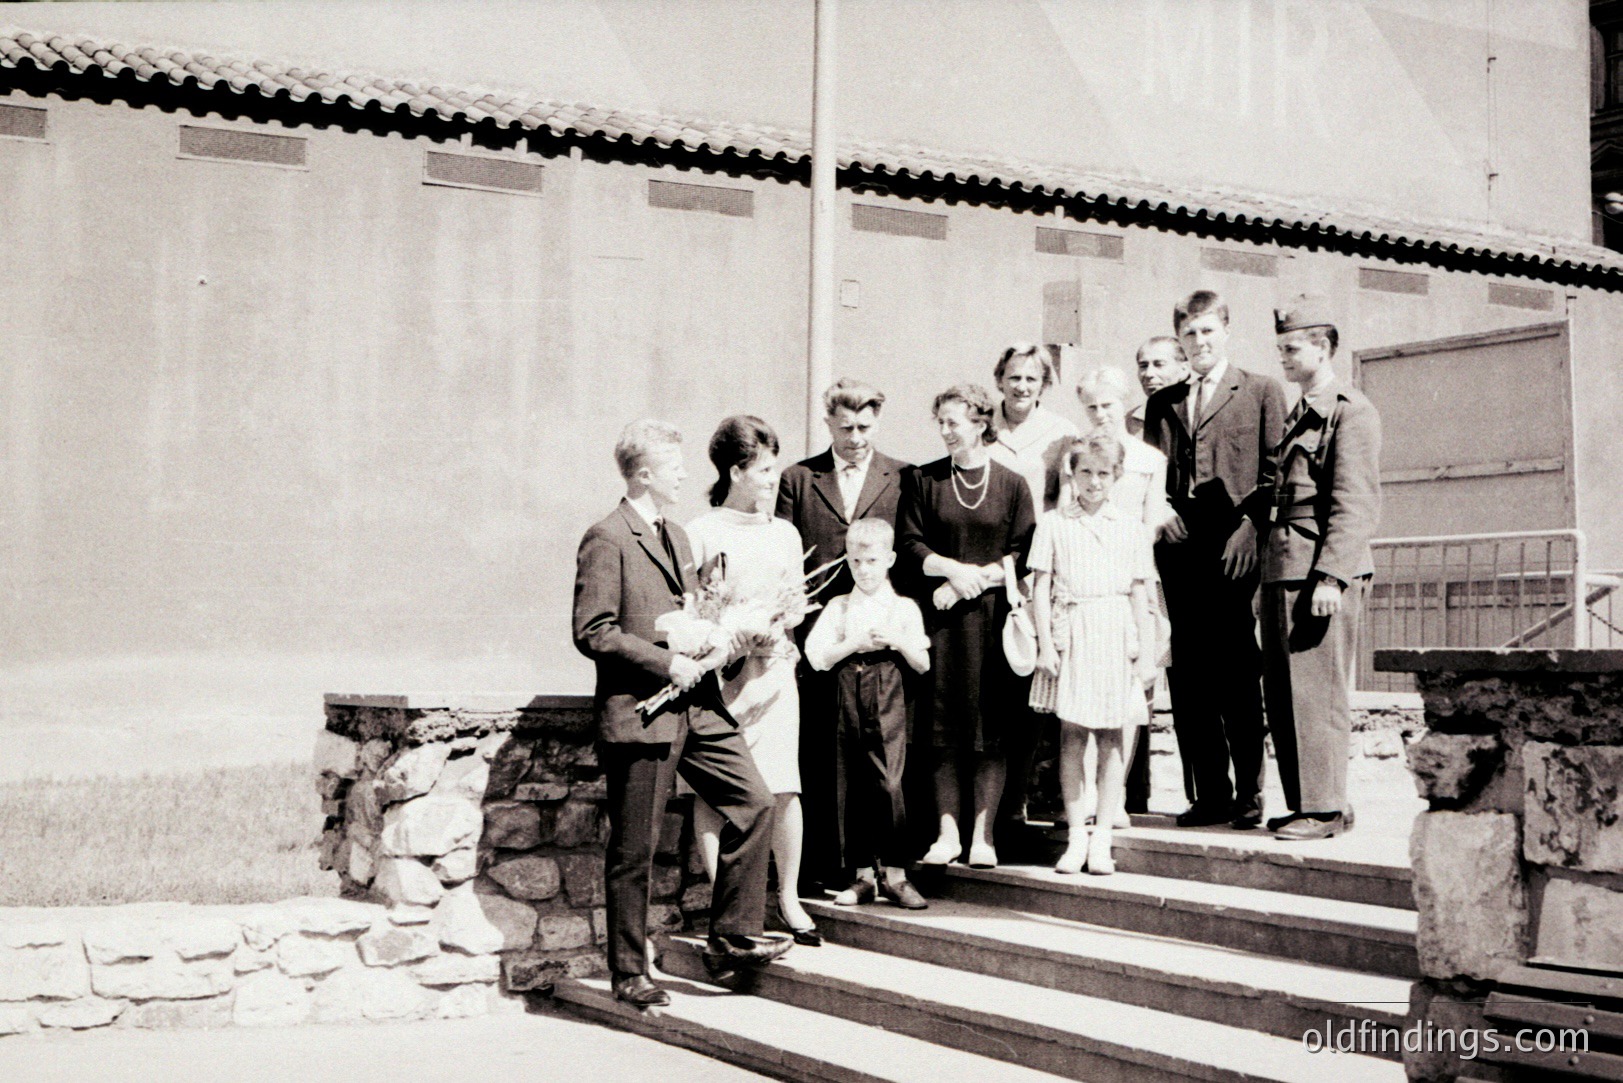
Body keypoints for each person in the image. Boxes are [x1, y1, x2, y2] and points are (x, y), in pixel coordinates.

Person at [572, 419, 785, 1008]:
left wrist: (724, 636)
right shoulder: (606, 536)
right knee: (635, 851)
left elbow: (689, 612)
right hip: (642, 712)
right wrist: (665, 664)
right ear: (644, 475)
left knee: (755, 803)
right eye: (674, 466)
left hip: (700, 706)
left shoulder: (680, 538)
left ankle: (732, 939)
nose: (687, 474)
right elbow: (593, 631)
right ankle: (628, 973)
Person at [1143, 290, 1286, 830]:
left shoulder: (1261, 391)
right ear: (1179, 340)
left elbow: (1276, 471)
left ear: (1224, 330)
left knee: (1237, 672)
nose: (1199, 342)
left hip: (1234, 545)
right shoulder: (1165, 401)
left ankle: (1249, 794)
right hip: (1180, 548)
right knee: (1191, 675)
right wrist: (1158, 510)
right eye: (1189, 334)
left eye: (1207, 331)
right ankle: (1209, 794)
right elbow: (1149, 471)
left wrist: (1253, 527)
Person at [685, 416, 821, 945]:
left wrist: (775, 630)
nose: (773, 479)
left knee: (784, 786)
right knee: (717, 791)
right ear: (736, 471)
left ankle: (787, 896)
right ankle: (734, 906)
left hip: (775, 675)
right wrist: (725, 637)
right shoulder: (701, 532)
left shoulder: (784, 533)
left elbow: (793, 607)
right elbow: (691, 609)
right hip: (723, 682)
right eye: (764, 470)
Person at [775, 379, 908, 891]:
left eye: (865, 427)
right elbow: (787, 556)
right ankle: (830, 868)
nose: (855, 437)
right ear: (828, 422)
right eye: (846, 427)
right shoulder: (800, 479)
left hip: (882, 645)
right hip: (821, 642)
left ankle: (889, 865)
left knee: (885, 762)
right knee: (824, 754)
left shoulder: (901, 476)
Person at [898, 385, 1036, 869]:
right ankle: (947, 834)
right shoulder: (923, 479)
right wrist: (952, 571)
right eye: (940, 422)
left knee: (989, 731)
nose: (945, 430)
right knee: (941, 730)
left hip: (993, 623)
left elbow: (1024, 551)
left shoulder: (1013, 484)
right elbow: (910, 543)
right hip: (941, 623)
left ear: (980, 422)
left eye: (953, 421)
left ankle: (983, 837)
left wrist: (973, 581)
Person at [1262, 297, 1382, 841]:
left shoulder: (1350, 409)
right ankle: (1310, 802)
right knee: (1287, 693)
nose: (1284, 356)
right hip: (1283, 563)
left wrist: (1332, 576)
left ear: (1324, 346)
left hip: (1317, 570)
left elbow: (1354, 502)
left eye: (1293, 347)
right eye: (1282, 347)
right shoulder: (1302, 408)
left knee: (1318, 692)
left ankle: (1326, 808)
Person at [1031, 435, 1158, 875]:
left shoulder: (1130, 526)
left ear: (1117, 477)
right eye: (1085, 471)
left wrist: (1146, 654)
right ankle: (1077, 835)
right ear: (1072, 473)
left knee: (1111, 738)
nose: (1094, 481)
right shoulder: (1053, 523)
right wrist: (1046, 643)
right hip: (1073, 632)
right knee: (1071, 736)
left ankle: (1102, 836)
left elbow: (1141, 591)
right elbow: (1041, 588)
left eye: (1104, 473)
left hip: (1115, 632)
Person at [804, 518, 931, 909]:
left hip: (888, 688)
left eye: (872, 561)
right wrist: (853, 641)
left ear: (889, 559)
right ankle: (862, 877)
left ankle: (895, 874)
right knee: (850, 779)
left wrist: (896, 639)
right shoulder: (839, 606)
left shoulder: (903, 607)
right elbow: (816, 656)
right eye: (856, 561)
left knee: (888, 781)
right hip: (846, 688)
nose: (864, 569)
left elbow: (923, 662)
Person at [1068, 366, 1174, 820]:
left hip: (1131, 578)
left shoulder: (1150, 459)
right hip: (1083, 583)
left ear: (1124, 405)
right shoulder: (1075, 456)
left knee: (1131, 692)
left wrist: (1120, 558)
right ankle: (1085, 797)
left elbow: (1152, 524)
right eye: (1090, 407)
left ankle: (1117, 800)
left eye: (1107, 405)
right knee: (1083, 692)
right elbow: (1064, 510)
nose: (1099, 414)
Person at [989, 342, 1080, 512]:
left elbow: (1069, 497)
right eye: (1014, 378)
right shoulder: (980, 426)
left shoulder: (1064, 432)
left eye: (1031, 379)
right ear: (1000, 380)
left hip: (1039, 535)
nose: (1022, 387)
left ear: (1044, 384)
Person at [1128, 336, 1190, 438]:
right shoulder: (1130, 423)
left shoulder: (1202, 414)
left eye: (1159, 364)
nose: (1148, 374)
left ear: (1184, 369)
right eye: (1143, 366)